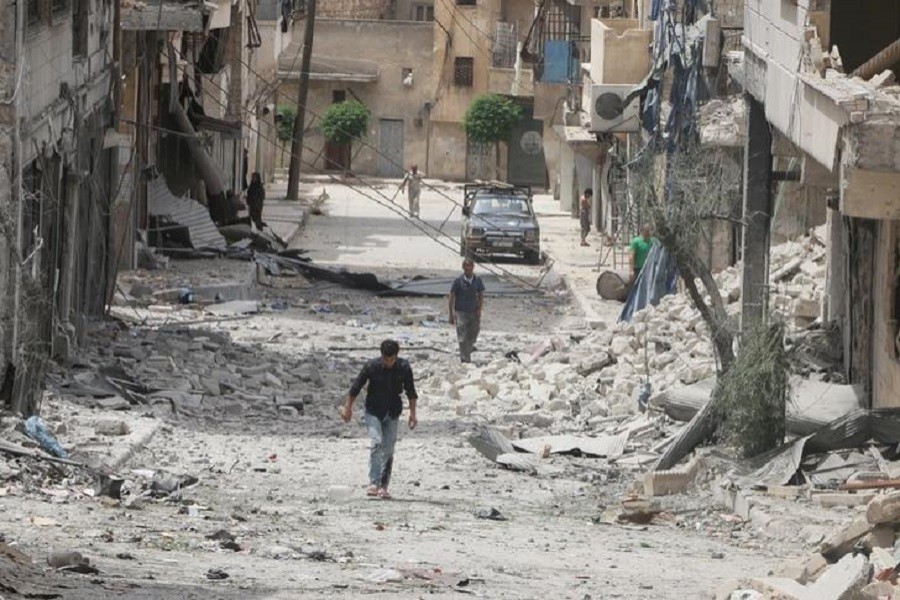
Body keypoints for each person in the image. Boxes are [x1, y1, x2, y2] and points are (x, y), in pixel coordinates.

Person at [339, 339, 418, 499]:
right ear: (381, 356)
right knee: (376, 443)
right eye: (386, 359)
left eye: (391, 359)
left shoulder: (403, 368)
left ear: (396, 356)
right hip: (373, 410)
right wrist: (348, 408)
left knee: (388, 449)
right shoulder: (371, 366)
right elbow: (356, 388)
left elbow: (411, 392)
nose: (388, 363)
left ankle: (383, 485)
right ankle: (373, 482)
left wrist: (413, 414)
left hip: (393, 411)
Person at [449, 258, 484, 363]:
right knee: (462, 337)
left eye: (470, 267)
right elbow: (452, 296)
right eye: (466, 267)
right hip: (461, 312)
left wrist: (479, 309)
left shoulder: (477, 281)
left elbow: (481, 295)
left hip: (473, 312)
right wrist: (451, 313)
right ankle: (465, 359)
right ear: (463, 268)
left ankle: (467, 350)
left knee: (473, 334)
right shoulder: (458, 281)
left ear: (473, 268)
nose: (468, 269)